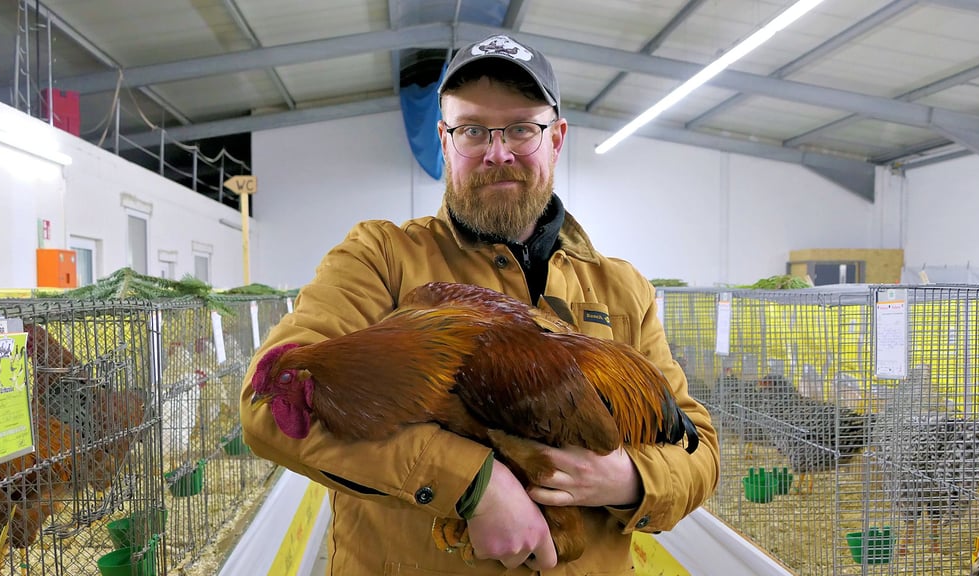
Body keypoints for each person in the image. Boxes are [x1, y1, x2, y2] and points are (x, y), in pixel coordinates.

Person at [240, 33, 719, 575]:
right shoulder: (382, 258)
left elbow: (700, 450)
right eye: (473, 130)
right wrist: (473, 483)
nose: (498, 152)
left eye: (522, 128)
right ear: (445, 141)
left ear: (556, 139)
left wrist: (627, 479)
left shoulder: (622, 287)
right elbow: (266, 408)